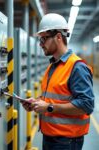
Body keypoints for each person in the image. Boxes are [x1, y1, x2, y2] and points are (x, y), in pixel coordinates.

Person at [21, 13, 94, 150]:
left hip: (67, 141)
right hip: (50, 136)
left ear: (58, 37)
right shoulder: (52, 66)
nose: (41, 44)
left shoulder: (77, 67)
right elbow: (53, 97)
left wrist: (49, 107)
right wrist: (36, 102)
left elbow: (87, 105)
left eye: (44, 39)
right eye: (40, 40)